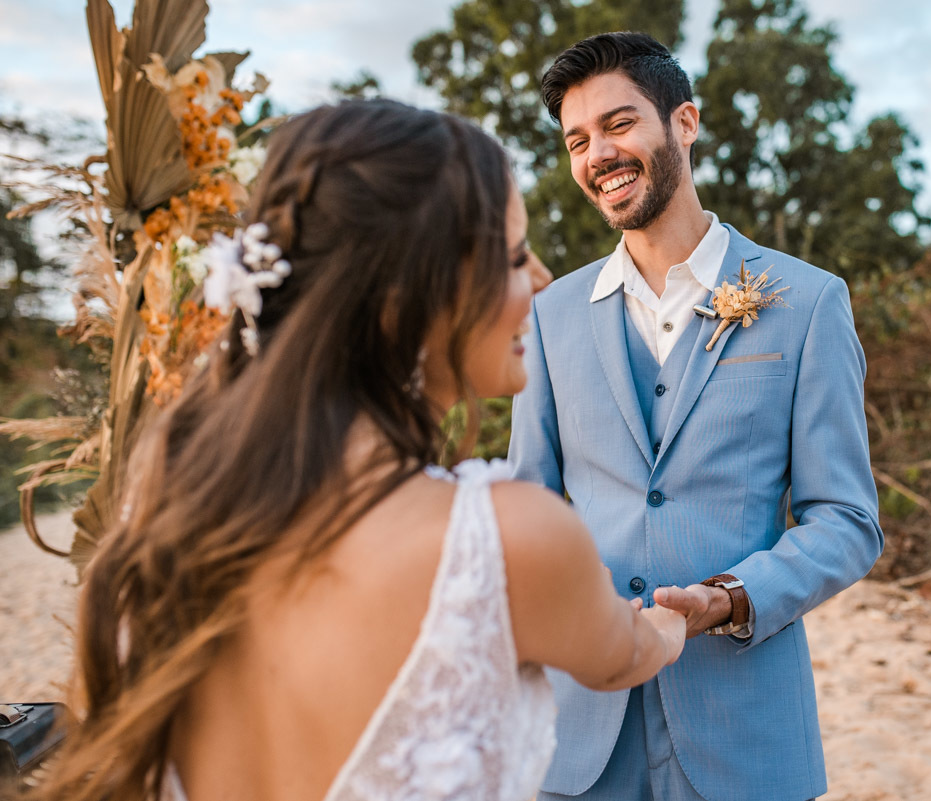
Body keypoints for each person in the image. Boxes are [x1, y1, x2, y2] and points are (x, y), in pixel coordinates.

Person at [31, 100, 685, 801]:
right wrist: (676, 616)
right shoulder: (507, 539)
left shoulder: (176, 504)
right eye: (514, 253)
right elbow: (624, 652)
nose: (541, 278)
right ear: (412, 295)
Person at [509, 32, 885, 801]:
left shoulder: (808, 302)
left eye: (619, 125)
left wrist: (730, 596)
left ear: (684, 123)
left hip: (743, 728)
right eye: (578, 140)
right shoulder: (550, 317)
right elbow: (529, 509)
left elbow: (846, 518)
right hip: (579, 736)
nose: (597, 156)